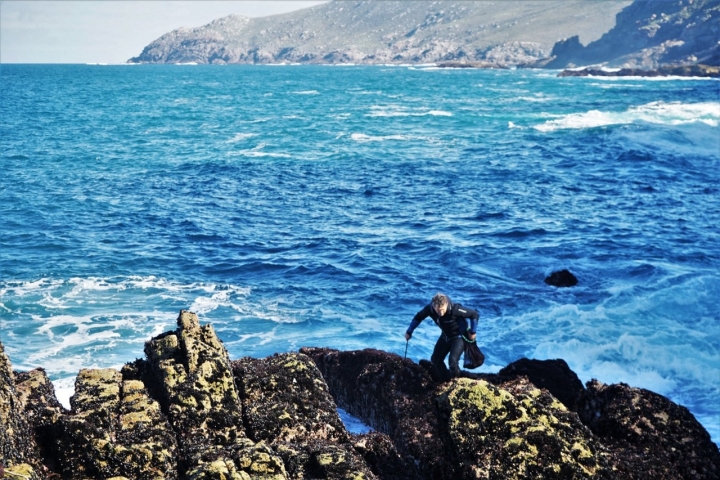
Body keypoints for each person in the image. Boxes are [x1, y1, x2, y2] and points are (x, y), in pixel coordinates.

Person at [405, 292, 479, 382]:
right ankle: (445, 381)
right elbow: (418, 317)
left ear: (446, 304)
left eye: (442, 309)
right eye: (438, 310)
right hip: (445, 336)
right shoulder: (430, 309)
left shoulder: (455, 309)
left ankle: (457, 383)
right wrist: (409, 332)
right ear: (434, 306)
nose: (440, 313)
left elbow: (474, 314)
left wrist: (473, 332)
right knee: (435, 359)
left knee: (452, 361)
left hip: (459, 337)